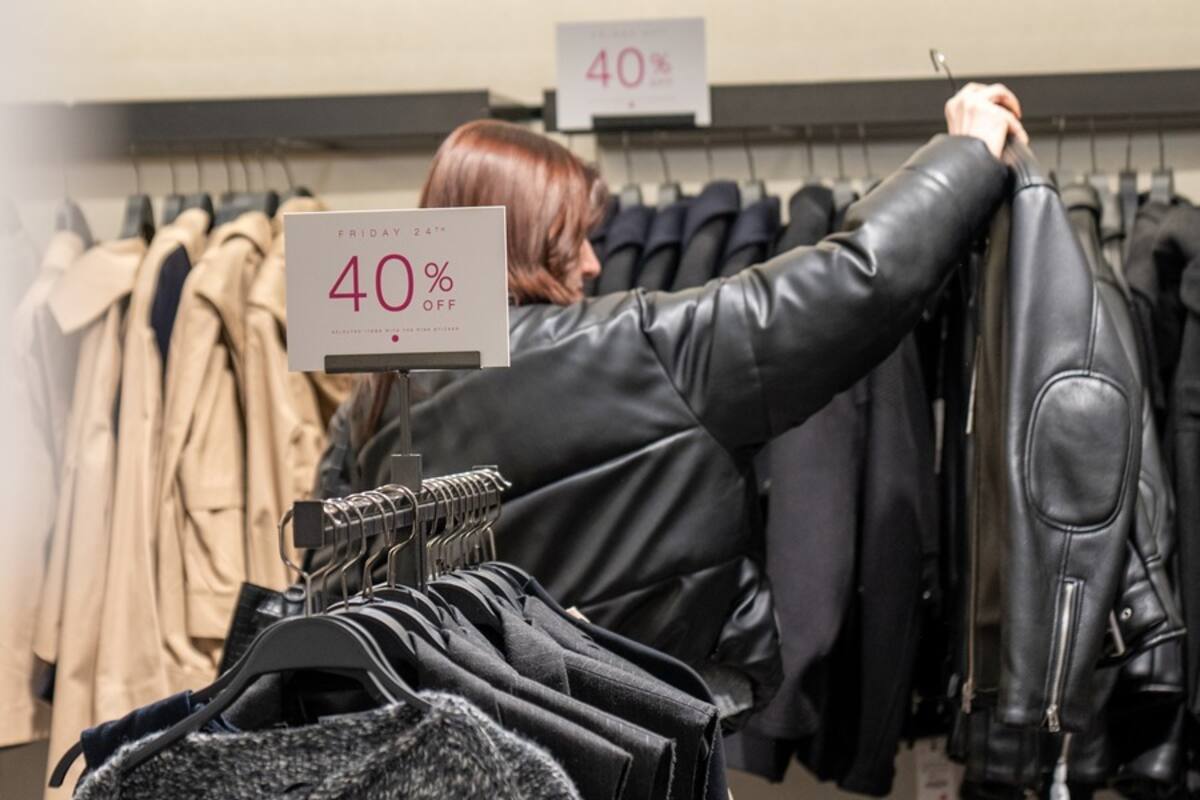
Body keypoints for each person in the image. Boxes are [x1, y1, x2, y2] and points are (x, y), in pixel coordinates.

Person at [317, 83, 1029, 717]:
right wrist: (965, 152)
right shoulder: (645, 345)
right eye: (573, 239)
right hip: (632, 725)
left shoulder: (377, 397)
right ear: (524, 237)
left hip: (444, 736)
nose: (596, 262)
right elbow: (856, 281)